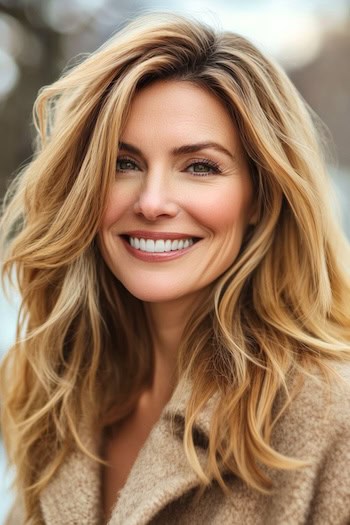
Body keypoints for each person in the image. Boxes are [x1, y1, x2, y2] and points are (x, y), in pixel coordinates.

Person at [1, 11, 350, 525]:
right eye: (124, 163)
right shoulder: (55, 394)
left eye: (200, 167)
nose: (153, 201)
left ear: (260, 197)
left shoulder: (331, 421)